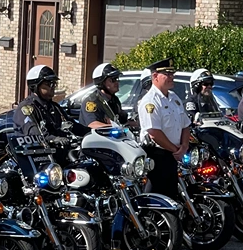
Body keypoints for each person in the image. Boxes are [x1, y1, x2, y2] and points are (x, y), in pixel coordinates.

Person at [137, 57, 190, 201]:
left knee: (171, 196)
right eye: (167, 74)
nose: (172, 77)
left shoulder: (174, 98)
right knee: (154, 196)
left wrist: (184, 146)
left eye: (172, 74)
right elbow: (154, 133)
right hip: (157, 154)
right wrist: (176, 150)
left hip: (174, 154)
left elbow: (186, 124)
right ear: (155, 76)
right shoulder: (150, 101)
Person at [13, 64, 86, 164]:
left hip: (58, 156)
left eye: (54, 84)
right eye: (49, 84)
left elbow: (71, 125)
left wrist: (92, 133)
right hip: (38, 160)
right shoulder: (26, 108)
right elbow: (34, 133)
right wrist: (54, 139)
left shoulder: (54, 107)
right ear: (35, 86)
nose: (53, 87)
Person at [80, 62, 130, 129]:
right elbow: (92, 124)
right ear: (102, 82)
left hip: (113, 138)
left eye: (117, 79)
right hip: (94, 138)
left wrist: (138, 124)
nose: (116, 82)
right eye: (112, 80)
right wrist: (115, 127)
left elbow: (122, 121)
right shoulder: (92, 102)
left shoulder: (114, 100)